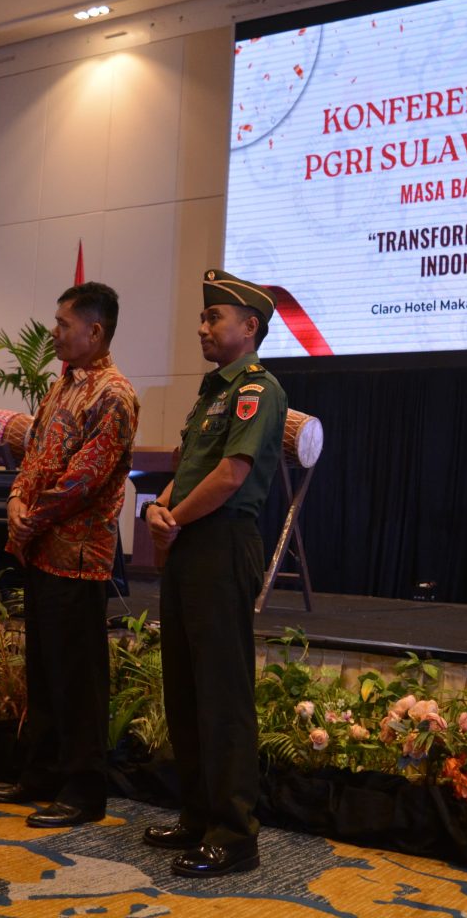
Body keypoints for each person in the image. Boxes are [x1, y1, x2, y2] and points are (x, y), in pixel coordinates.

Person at [143, 269, 287, 878]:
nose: (202, 327)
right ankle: (198, 815)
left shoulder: (258, 389)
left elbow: (231, 475)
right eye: (203, 318)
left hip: (223, 544)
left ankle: (233, 835)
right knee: (186, 688)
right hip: (189, 542)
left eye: (213, 318)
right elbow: (190, 468)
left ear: (249, 327)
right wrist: (158, 508)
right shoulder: (212, 391)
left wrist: (171, 518)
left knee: (223, 696)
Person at [0, 283, 139, 828]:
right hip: (42, 547)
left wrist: (33, 515)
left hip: (78, 554)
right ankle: (43, 773)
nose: (54, 332)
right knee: (46, 669)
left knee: (77, 676)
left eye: (63, 323)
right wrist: (15, 501)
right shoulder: (61, 386)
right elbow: (32, 457)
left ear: (94, 331)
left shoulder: (114, 394)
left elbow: (86, 479)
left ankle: (84, 790)